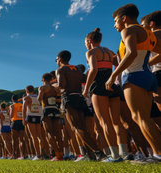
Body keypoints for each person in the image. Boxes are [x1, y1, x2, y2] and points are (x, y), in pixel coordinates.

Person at [106, 4, 161, 161]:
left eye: (116, 21)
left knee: (140, 117)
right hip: (147, 75)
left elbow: (131, 53)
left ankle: (157, 154)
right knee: (145, 117)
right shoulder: (148, 33)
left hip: (133, 75)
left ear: (124, 19)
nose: (115, 25)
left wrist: (113, 75)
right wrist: (149, 65)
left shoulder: (128, 30)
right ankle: (157, 153)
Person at [83, 28, 129, 161]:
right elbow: (118, 65)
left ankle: (114, 155)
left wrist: (86, 89)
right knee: (116, 122)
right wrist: (115, 79)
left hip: (98, 86)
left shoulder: (91, 52)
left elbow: (93, 70)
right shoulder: (109, 52)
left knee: (105, 122)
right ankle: (124, 153)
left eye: (85, 42)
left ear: (89, 41)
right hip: (111, 85)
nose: (85, 44)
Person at [56, 50, 106, 161]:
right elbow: (85, 79)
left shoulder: (61, 69)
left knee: (77, 127)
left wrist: (55, 87)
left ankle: (98, 152)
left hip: (69, 98)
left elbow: (62, 85)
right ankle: (91, 155)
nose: (56, 61)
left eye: (56, 59)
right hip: (80, 98)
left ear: (59, 58)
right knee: (83, 128)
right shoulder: (77, 69)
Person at [38, 73, 64, 161]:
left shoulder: (42, 88)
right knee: (58, 134)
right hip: (55, 110)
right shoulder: (55, 88)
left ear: (43, 80)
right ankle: (61, 154)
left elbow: (39, 99)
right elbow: (59, 99)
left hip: (47, 109)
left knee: (49, 133)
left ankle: (57, 154)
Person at [23, 85, 44, 160]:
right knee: (40, 136)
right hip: (38, 116)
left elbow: (24, 109)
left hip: (31, 117)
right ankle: (42, 154)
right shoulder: (38, 97)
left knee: (33, 137)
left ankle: (38, 155)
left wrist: (24, 119)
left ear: (27, 91)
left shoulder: (27, 98)